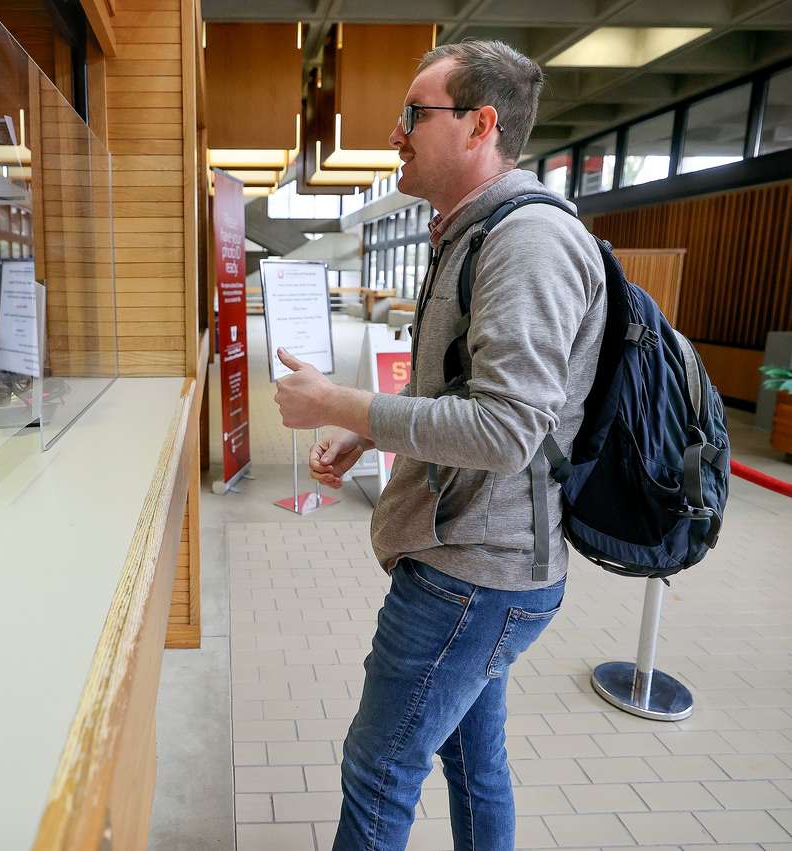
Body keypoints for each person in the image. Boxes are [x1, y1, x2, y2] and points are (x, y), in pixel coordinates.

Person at [273, 41, 607, 850]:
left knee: (379, 768)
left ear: (480, 125)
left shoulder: (526, 244)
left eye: (415, 115)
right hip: (475, 560)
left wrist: (339, 399)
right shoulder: (470, 232)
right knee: (471, 759)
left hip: (473, 573)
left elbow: (507, 426)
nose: (397, 133)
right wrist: (365, 429)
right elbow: (464, 388)